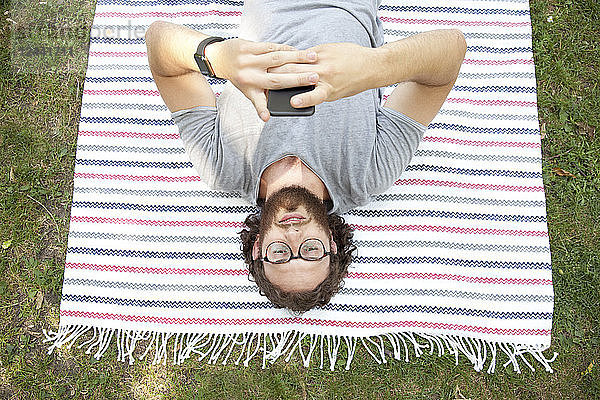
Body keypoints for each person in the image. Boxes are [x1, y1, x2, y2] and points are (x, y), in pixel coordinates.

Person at [145, 0, 466, 312]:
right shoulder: (369, 173)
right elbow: (451, 51)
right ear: (331, 244)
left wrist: (216, 57)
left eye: (281, 254)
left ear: (258, 248)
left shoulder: (222, 166)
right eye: (311, 252)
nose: (294, 237)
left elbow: (159, 42)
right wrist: (374, 67)